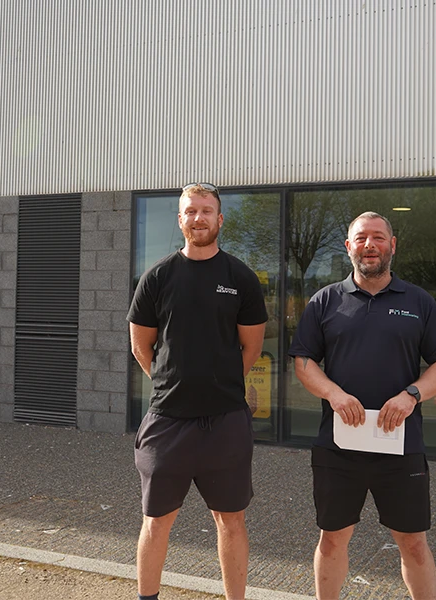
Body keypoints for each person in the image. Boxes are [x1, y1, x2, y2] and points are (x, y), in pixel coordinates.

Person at [288, 212, 436, 600]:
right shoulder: (325, 300)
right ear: (348, 247)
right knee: (331, 539)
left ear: (392, 245)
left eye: (378, 237)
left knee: (413, 542)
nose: (369, 245)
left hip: (400, 445)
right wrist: (333, 393)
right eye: (361, 238)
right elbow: (303, 362)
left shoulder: (419, 302)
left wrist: (411, 395)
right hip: (339, 447)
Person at [127, 183, 268, 600]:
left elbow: (252, 348)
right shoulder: (158, 277)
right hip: (168, 422)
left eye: (207, 211)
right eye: (191, 211)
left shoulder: (240, 277)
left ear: (220, 219)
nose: (199, 218)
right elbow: (141, 346)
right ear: (181, 219)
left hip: (225, 421)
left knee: (231, 520)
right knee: (156, 520)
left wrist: (217, 384)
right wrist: (175, 382)